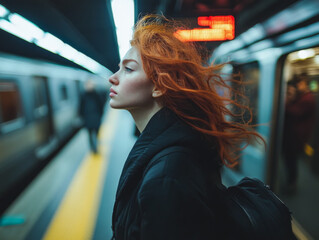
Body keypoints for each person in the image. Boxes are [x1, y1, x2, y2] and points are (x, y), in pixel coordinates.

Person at [108, 15, 263, 240]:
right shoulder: (173, 149)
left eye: (128, 69)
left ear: (159, 87)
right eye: (118, 68)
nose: (113, 78)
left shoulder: (167, 176)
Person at [282, 74, 316, 193]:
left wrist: (283, 104)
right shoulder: (303, 97)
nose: (298, 86)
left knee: (291, 160)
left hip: (297, 135)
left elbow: (295, 112)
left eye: (300, 84)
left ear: (305, 84)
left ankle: (292, 184)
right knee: (289, 159)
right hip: (294, 134)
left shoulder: (307, 99)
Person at [79, 79, 105, 153]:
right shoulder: (83, 95)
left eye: (90, 84)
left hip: (96, 117)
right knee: (89, 134)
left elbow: (101, 105)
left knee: (96, 133)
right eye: (87, 85)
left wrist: (100, 115)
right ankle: (93, 148)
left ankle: (96, 146)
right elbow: (81, 106)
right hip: (87, 118)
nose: (88, 86)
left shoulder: (97, 94)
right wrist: (81, 116)